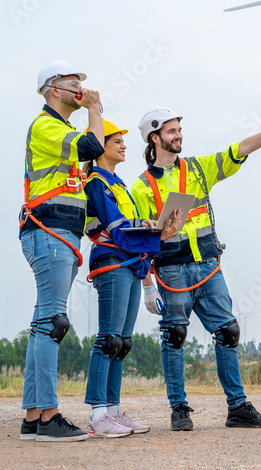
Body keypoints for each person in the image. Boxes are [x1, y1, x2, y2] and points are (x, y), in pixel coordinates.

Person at [130, 107, 261, 431]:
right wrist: (146, 286)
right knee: (175, 337)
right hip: (171, 273)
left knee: (228, 332)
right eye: (171, 131)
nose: (178, 135)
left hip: (209, 268)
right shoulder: (141, 187)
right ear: (154, 138)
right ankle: (179, 409)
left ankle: (237, 407)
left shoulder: (200, 168)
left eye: (179, 130)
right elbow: (140, 243)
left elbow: (240, 149)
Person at [19, 61, 103, 442]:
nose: (81, 89)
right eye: (74, 84)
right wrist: (96, 110)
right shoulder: (47, 126)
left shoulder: (61, 130)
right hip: (48, 230)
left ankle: (34, 417)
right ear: (54, 89)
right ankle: (50, 416)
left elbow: (76, 183)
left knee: (43, 323)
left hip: (60, 232)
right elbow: (93, 145)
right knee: (53, 322)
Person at [82, 119, 181, 438]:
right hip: (111, 262)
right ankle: (98, 414)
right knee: (108, 338)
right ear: (100, 147)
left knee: (122, 344)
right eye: (116, 141)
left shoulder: (118, 182)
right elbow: (117, 228)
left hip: (130, 262)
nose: (125, 145)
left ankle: (112, 411)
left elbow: (131, 229)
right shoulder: (97, 182)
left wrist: (160, 231)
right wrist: (154, 228)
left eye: (124, 141)